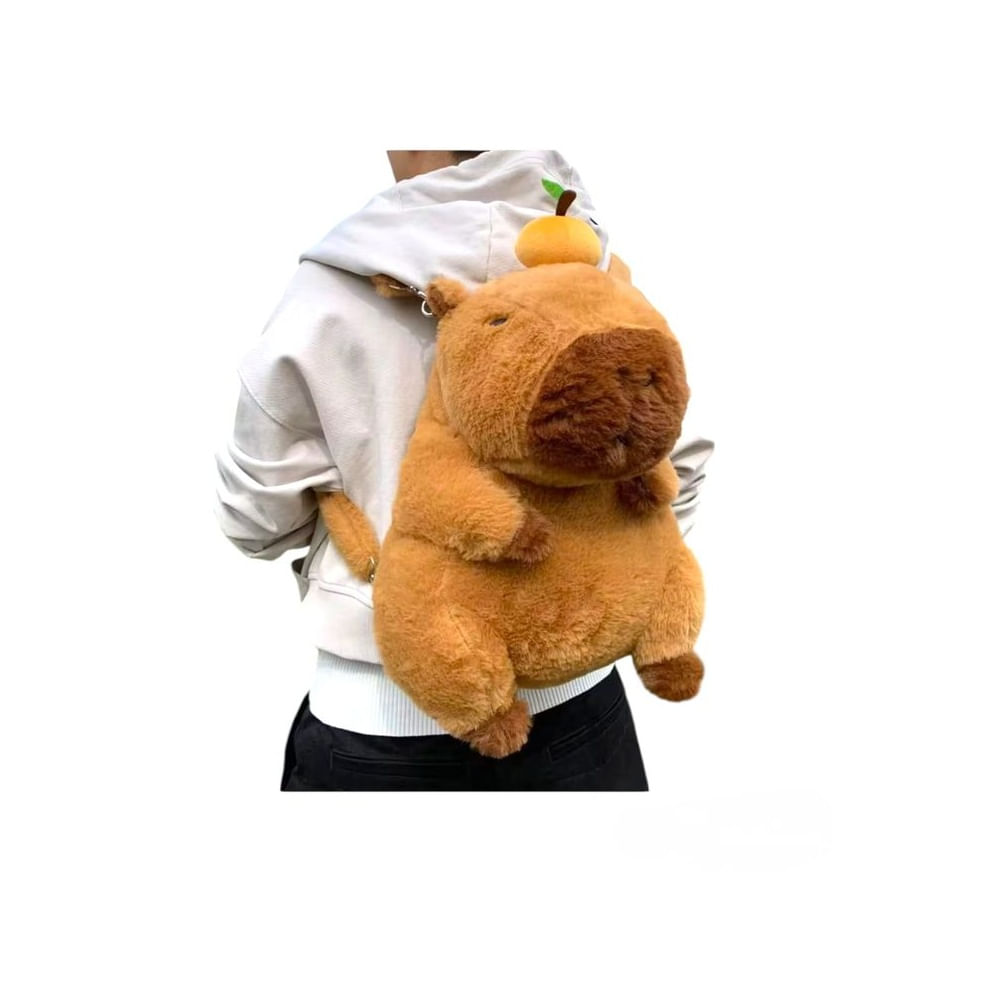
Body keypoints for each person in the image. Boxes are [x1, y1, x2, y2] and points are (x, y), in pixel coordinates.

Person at [213, 149, 714, 791]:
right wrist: (603, 562)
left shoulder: (325, 299)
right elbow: (676, 459)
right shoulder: (596, 272)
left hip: (382, 723)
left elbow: (254, 522)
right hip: (585, 700)